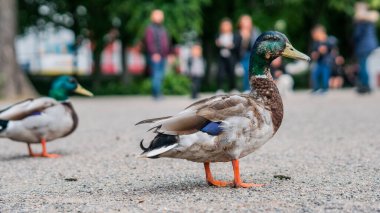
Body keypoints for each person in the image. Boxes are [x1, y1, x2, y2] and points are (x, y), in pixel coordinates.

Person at [144, 9, 171, 99]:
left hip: (163, 55)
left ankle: (157, 93)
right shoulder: (150, 29)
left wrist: (168, 54)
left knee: (160, 75)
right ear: (153, 17)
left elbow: (166, 43)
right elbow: (149, 42)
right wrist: (154, 53)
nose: (160, 17)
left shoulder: (162, 28)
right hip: (156, 55)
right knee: (156, 75)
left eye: (161, 15)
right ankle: (156, 94)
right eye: (158, 15)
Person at [353, 2, 379, 94]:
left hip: (364, 46)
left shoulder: (362, 20)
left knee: (363, 66)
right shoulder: (368, 19)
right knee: (364, 65)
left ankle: (365, 86)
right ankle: (365, 85)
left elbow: (357, 35)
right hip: (368, 45)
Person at [237, 15, 261, 92]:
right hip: (241, 57)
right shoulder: (237, 33)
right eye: (244, 22)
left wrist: (249, 37)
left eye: (248, 22)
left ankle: (252, 88)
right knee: (246, 68)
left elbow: (257, 45)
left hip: (253, 56)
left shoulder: (255, 31)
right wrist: (243, 40)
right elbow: (238, 49)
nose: (246, 24)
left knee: (251, 68)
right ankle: (246, 88)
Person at [215, 18, 240, 94]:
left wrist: (231, 46)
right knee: (220, 73)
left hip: (231, 57)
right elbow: (216, 44)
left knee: (232, 73)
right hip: (222, 57)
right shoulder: (218, 35)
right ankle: (219, 88)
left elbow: (237, 45)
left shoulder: (234, 35)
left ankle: (232, 88)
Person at [310, 25, 333, 93]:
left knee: (325, 75)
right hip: (319, 61)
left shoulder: (328, 41)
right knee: (315, 74)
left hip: (326, 62)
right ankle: (315, 88)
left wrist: (323, 50)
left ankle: (324, 88)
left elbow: (330, 49)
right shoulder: (316, 43)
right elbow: (314, 52)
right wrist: (315, 54)